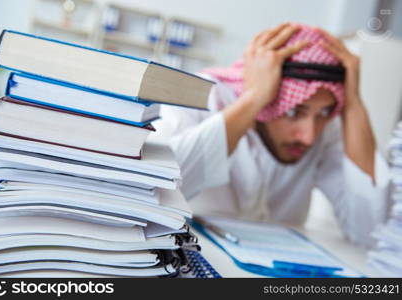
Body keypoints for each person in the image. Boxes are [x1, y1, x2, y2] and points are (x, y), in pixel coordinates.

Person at [157, 23, 391, 247]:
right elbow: (158, 193)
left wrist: (354, 105)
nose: (309, 136)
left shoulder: (325, 129)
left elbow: (370, 234)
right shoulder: (201, 98)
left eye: (324, 112)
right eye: (293, 111)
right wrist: (255, 98)